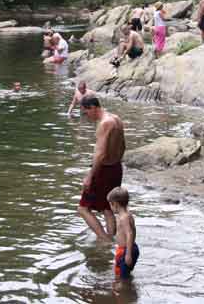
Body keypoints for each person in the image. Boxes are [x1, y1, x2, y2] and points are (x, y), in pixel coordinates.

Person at [78, 96, 126, 240]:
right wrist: (116, 161)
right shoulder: (116, 119)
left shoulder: (104, 124)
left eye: (86, 112)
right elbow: (123, 146)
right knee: (107, 207)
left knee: (83, 208)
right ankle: (111, 239)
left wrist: (90, 176)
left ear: (93, 107)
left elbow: (100, 154)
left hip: (104, 170)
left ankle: (105, 241)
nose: (86, 116)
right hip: (116, 167)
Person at [107, 187, 139, 279]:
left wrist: (128, 254)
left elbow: (130, 234)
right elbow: (133, 231)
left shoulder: (124, 218)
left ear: (115, 204)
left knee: (121, 278)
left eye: (110, 204)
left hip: (126, 250)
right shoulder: (128, 215)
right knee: (123, 274)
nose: (110, 207)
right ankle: (126, 287)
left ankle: (123, 290)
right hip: (131, 248)